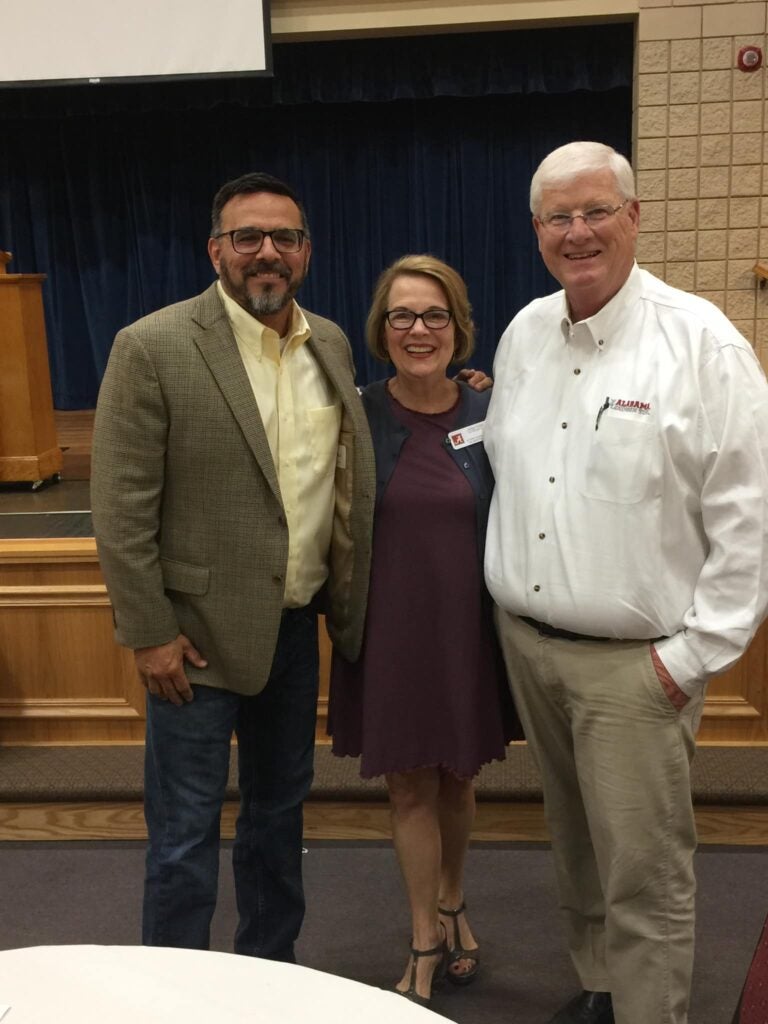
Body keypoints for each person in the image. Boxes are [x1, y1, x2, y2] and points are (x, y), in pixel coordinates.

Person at [484, 141, 768, 1024]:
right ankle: (603, 991)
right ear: (537, 233)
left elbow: (750, 520)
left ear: (634, 217)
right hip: (531, 651)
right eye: (558, 218)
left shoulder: (703, 345)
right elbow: (508, 466)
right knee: (576, 850)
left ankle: (652, 1014)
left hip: (634, 671)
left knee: (646, 873)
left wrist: (690, 660)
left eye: (595, 210)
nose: (578, 232)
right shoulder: (527, 331)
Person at [90, 172, 376, 963]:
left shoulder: (331, 344)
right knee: (184, 841)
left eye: (284, 237)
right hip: (193, 646)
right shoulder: (152, 346)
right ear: (215, 250)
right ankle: (175, 995)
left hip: (292, 634)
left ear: (306, 253)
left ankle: (267, 979)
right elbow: (120, 508)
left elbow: (339, 480)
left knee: (279, 828)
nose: (267, 253)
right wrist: (149, 633)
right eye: (247, 237)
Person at [329, 255, 520, 1006]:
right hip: (392, 629)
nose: (419, 330)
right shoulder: (357, 411)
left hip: (468, 627)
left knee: (459, 777)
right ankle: (424, 935)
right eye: (402, 316)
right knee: (409, 785)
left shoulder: (491, 411)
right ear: (382, 329)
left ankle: (452, 900)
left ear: (458, 327)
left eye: (434, 316)